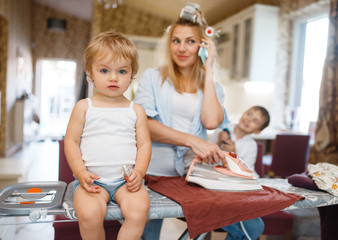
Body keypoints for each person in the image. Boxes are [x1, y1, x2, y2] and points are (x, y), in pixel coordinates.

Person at [134, 3, 263, 239]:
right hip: (151, 173)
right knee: (145, 236)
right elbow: (145, 126)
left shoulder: (213, 87)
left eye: (190, 41)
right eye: (176, 40)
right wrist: (193, 142)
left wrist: (210, 69)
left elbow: (211, 121)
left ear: (202, 46)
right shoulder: (152, 78)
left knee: (253, 227)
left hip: (193, 174)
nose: (182, 48)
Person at [64, 30, 151, 240]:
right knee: (89, 213)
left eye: (122, 71)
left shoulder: (136, 110)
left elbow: (145, 145)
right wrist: (80, 172)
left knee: (139, 211)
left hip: (126, 182)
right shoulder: (84, 107)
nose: (113, 77)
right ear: (91, 72)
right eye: (104, 70)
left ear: (132, 73)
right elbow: (71, 142)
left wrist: (139, 172)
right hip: (92, 182)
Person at [209, 105, 270, 178]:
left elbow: (247, 170)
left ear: (257, 131)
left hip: (236, 178)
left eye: (255, 121)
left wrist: (234, 154)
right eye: (249, 114)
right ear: (244, 112)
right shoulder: (221, 131)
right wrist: (219, 140)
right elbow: (207, 155)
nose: (249, 119)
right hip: (215, 174)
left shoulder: (252, 145)